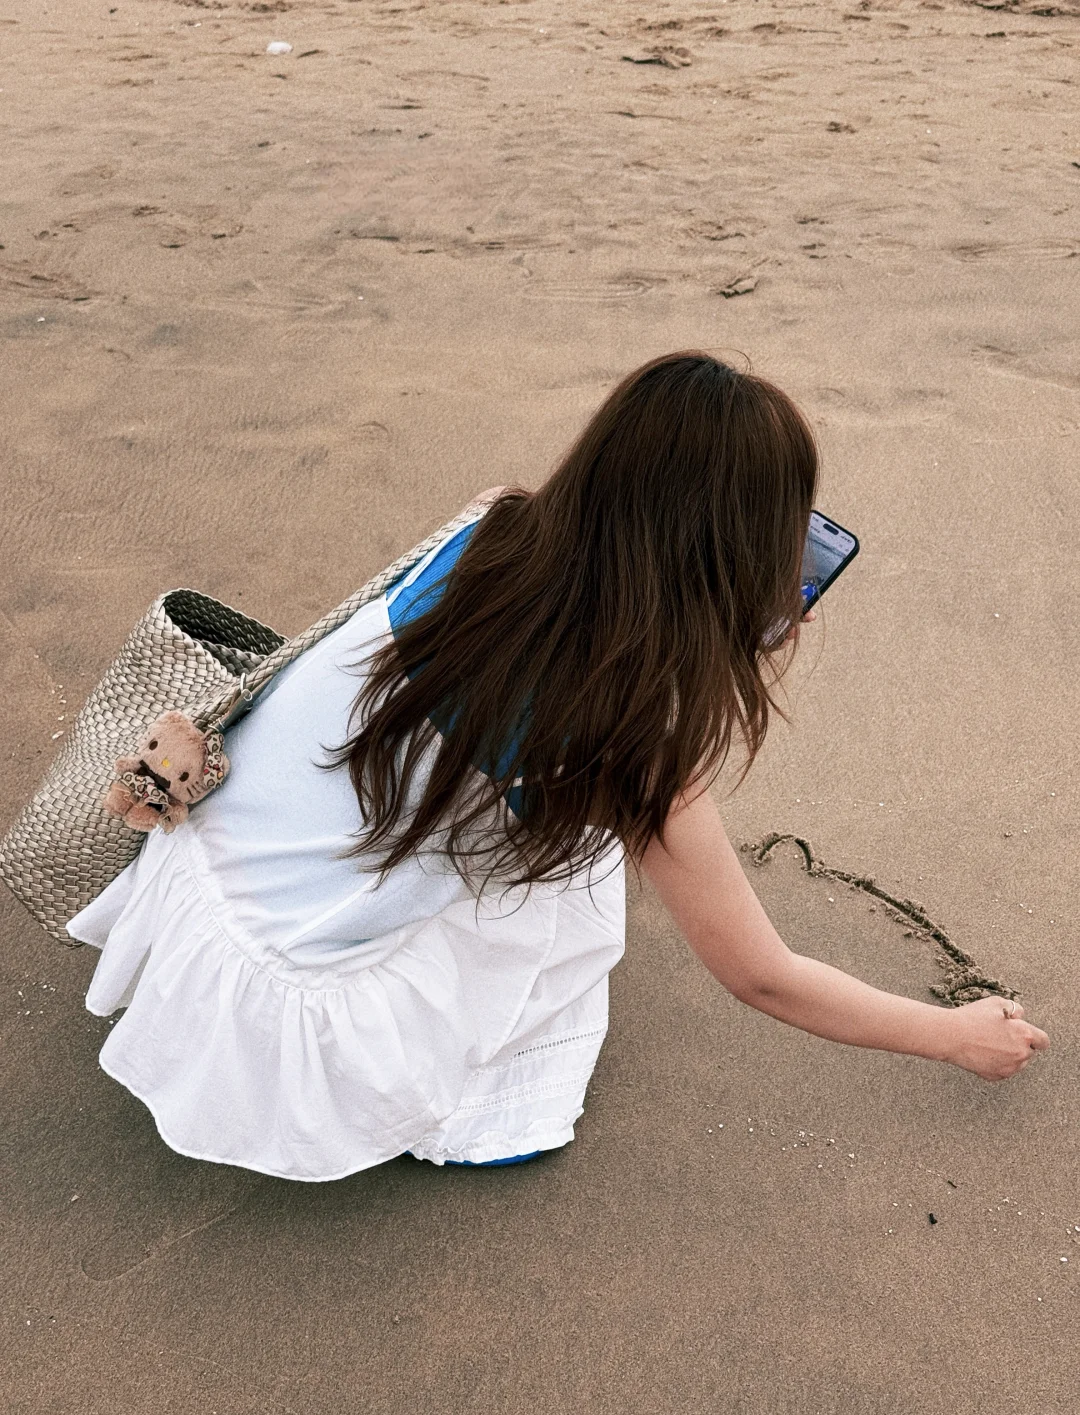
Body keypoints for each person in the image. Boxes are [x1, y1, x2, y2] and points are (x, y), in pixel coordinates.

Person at [67, 352, 1048, 1182]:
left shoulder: (493, 523)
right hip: (287, 1006)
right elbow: (764, 978)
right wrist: (953, 1035)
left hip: (209, 868)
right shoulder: (632, 745)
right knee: (574, 868)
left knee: (544, 822)